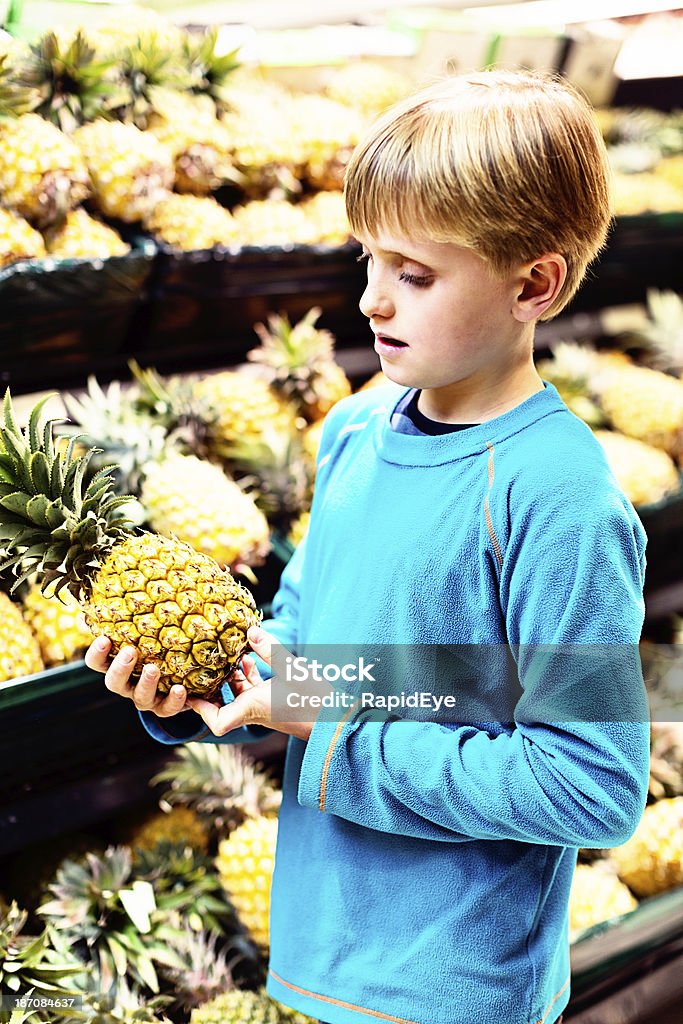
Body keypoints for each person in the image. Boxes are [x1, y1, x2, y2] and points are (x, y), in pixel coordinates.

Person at [86, 69, 650, 1024]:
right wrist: (203, 693)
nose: (372, 303)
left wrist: (335, 734)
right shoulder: (355, 432)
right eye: (367, 262)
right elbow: (320, 664)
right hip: (319, 956)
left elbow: (590, 785)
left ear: (536, 283)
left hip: (455, 994)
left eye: (413, 275)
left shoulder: (557, 498)